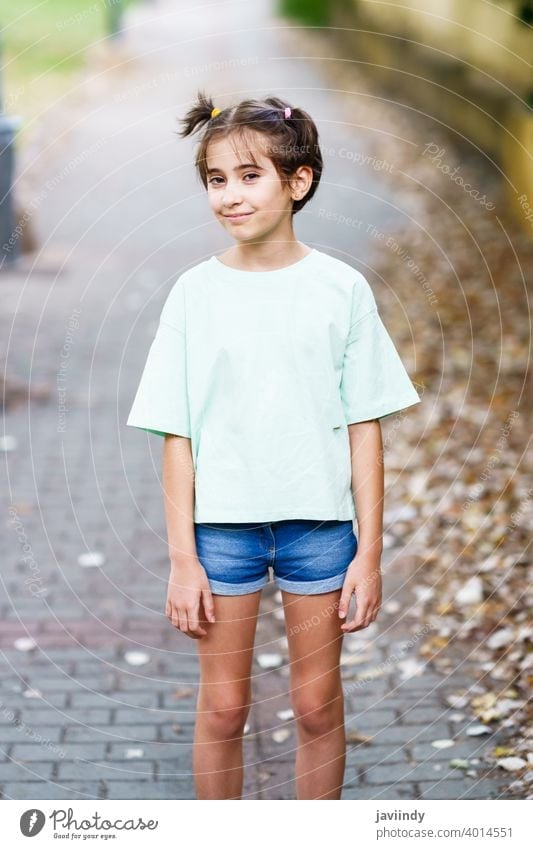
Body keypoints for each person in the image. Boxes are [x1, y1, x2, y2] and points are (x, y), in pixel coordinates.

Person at [126, 90, 421, 800]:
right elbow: (176, 432)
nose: (229, 195)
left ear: (299, 182)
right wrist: (181, 561)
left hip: (318, 531)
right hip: (219, 535)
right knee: (225, 708)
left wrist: (369, 554)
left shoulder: (341, 290)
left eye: (249, 175)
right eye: (215, 179)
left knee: (317, 706)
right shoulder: (192, 295)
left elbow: (365, 426)